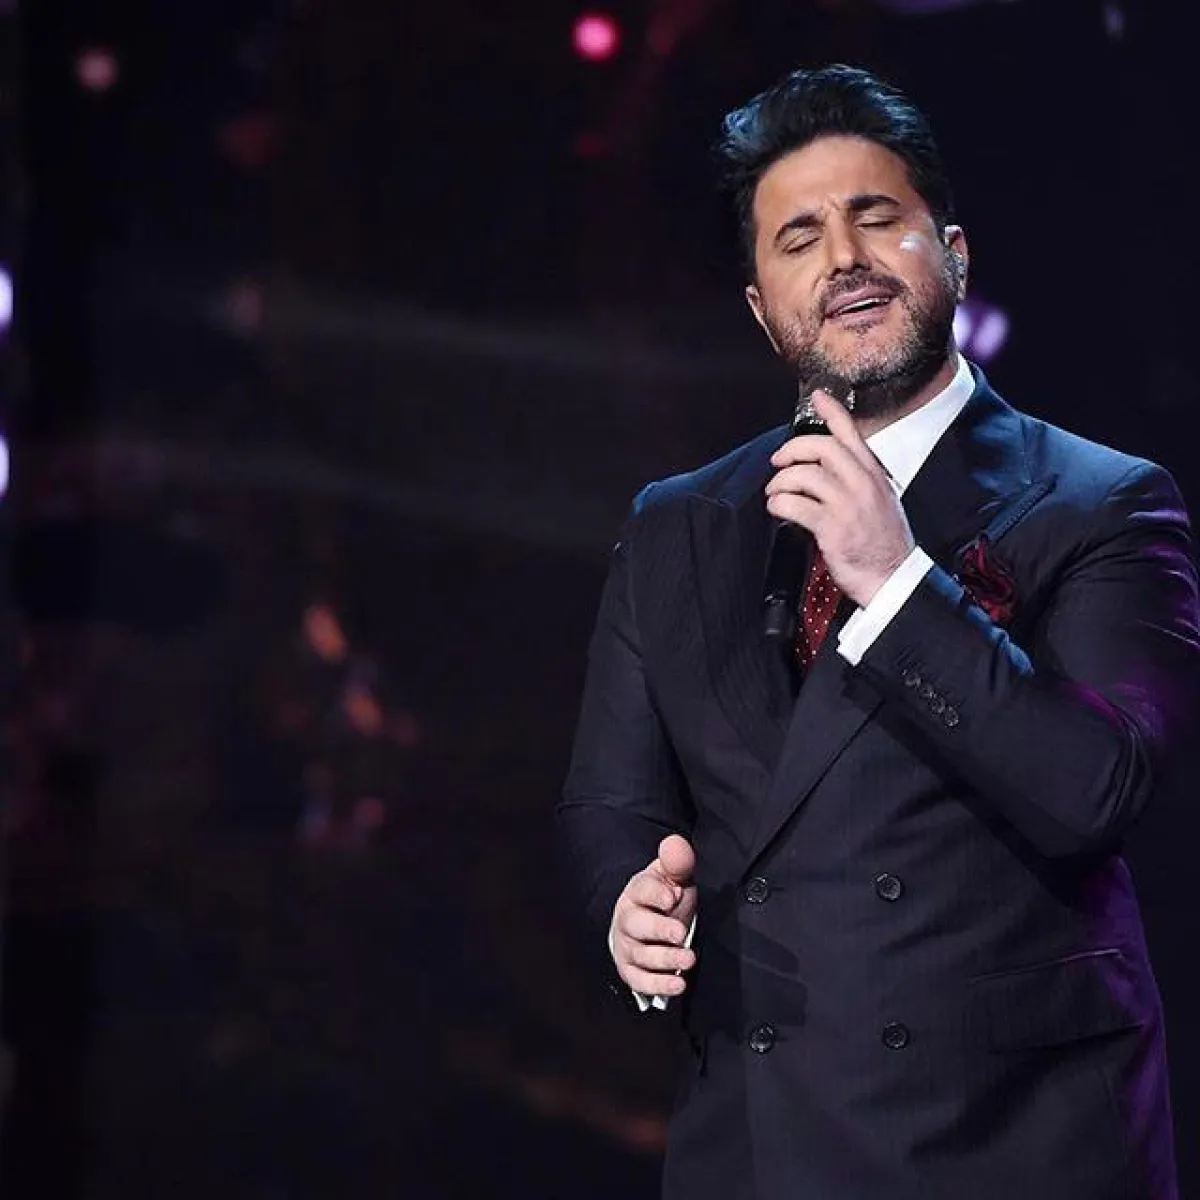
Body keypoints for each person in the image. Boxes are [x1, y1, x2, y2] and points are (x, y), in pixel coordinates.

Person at [558, 64, 1200, 1200]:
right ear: (762, 307)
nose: (843, 258)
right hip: (757, 1142)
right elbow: (612, 803)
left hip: (1012, 1142)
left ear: (955, 254)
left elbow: (1095, 791)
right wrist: (627, 907)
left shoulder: (1103, 502)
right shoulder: (678, 525)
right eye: (798, 237)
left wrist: (896, 582)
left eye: (875, 217)